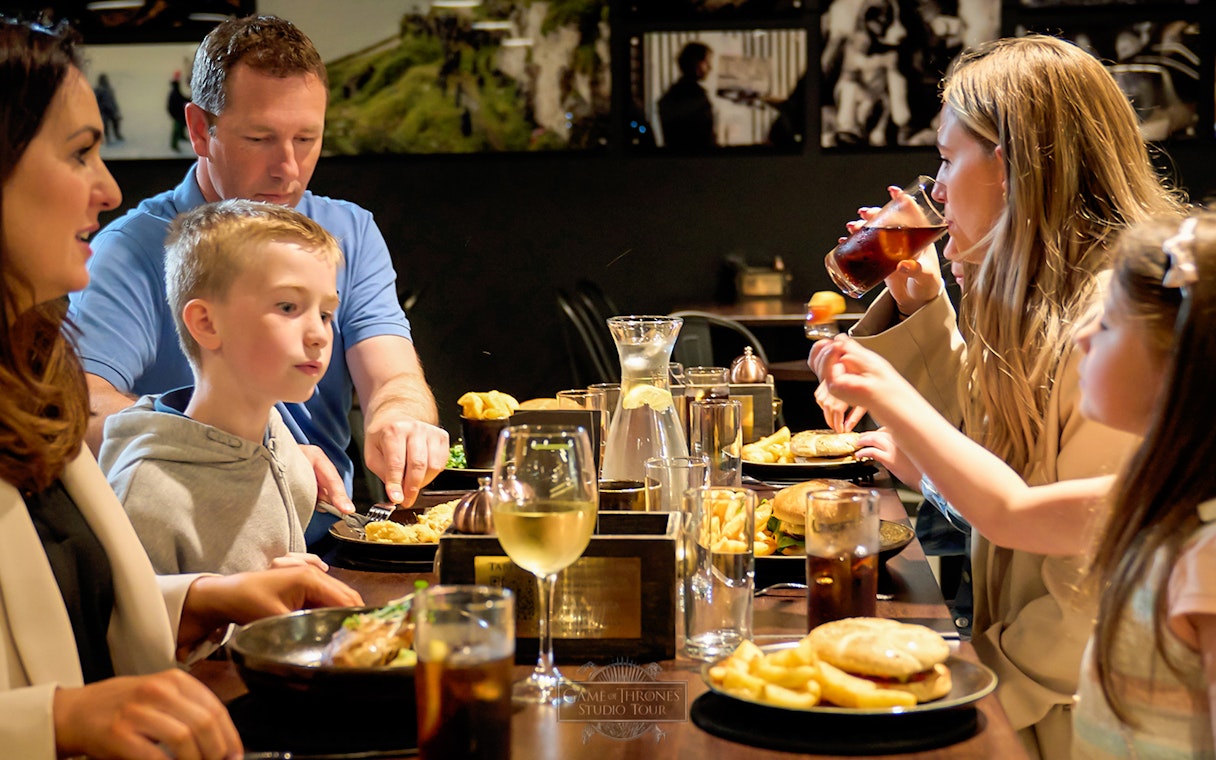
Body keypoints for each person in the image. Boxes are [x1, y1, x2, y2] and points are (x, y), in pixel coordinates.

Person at [813, 35, 1186, 760]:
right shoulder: (1034, 289)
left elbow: (1090, 574)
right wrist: (924, 298)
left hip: (1078, 712)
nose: (938, 188)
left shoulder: (1118, 323)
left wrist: (987, 689)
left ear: (1012, 167)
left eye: (949, 160)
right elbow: (992, 447)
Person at [0, 17, 362, 758]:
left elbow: (63, 613)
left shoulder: (29, 372)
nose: (106, 188)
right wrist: (54, 722)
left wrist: (199, 599)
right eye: (80, 154)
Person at [67, 15, 449, 542]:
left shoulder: (350, 230)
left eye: (306, 139)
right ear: (201, 130)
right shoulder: (131, 249)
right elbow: (82, 408)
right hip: (194, 546)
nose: (288, 169)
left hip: (335, 536)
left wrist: (399, 418)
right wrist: (261, 448)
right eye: (260, 138)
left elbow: (393, 377)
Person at [99, 199, 342, 574]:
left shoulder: (287, 453)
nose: (318, 335)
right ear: (207, 324)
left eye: (325, 314)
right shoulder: (148, 494)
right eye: (288, 307)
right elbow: (136, 629)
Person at [658, 41, 716, 151]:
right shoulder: (696, 96)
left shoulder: (673, 92)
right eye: (706, 62)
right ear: (696, 63)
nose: (710, 67)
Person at [93, 72, 121, 143]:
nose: (105, 81)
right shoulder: (98, 90)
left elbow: (113, 100)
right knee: (104, 123)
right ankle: (106, 137)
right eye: (104, 80)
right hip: (103, 110)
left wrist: (116, 109)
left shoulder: (110, 89)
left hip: (111, 110)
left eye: (105, 79)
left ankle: (117, 134)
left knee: (116, 120)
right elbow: (95, 101)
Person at [167, 70, 189, 152]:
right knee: (176, 129)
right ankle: (174, 145)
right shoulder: (174, 91)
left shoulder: (176, 90)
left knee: (181, 125)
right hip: (176, 112)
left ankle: (181, 136)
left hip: (178, 112)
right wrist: (186, 101)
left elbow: (180, 97)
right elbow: (179, 99)